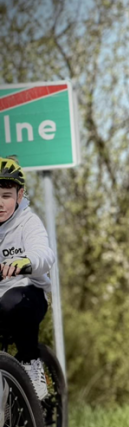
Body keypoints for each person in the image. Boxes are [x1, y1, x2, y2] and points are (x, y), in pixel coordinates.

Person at [0, 157, 55, 400]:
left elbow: (44, 253)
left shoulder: (27, 222)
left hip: (26, 293)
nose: (0, 204)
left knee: (13, 302)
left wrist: (26, 262)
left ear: (19, 195)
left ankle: (31, 364)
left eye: (6, 196)